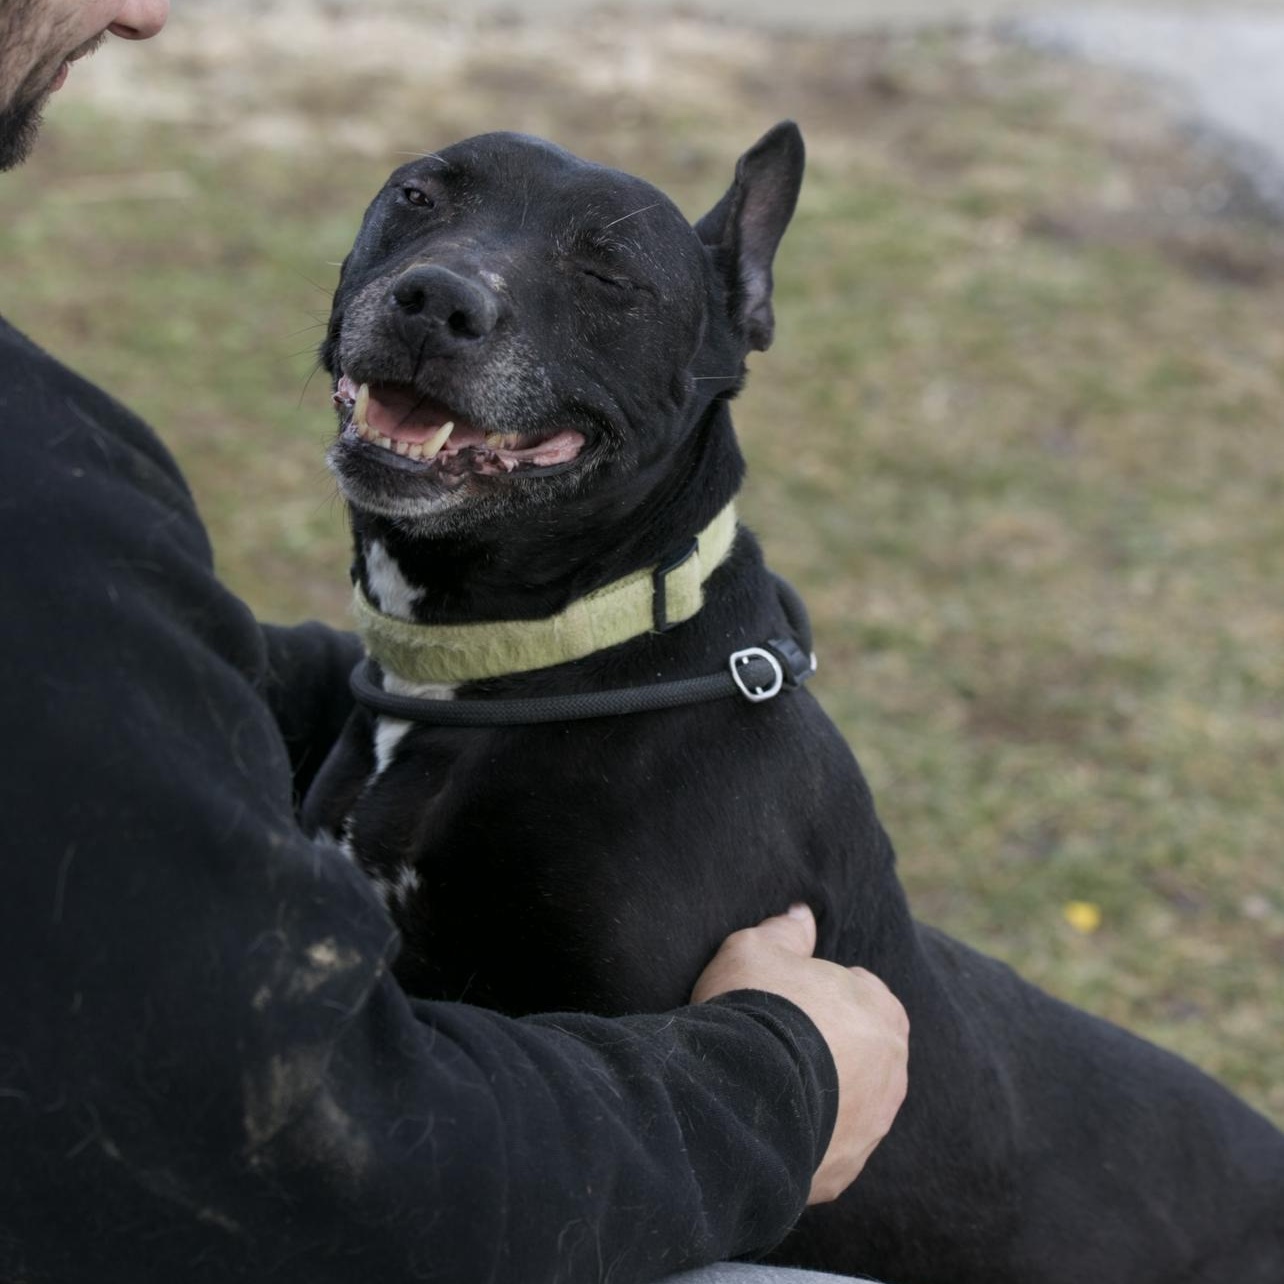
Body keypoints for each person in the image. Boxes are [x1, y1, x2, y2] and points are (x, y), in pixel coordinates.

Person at [0, 4, 909, 1282]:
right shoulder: (45, 504)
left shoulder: (49, 510)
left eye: (605, 282)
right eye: (423, 203)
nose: (452, 283)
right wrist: (783, 1079)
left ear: (730, 323)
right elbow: (323, 1171)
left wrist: (235, 683)